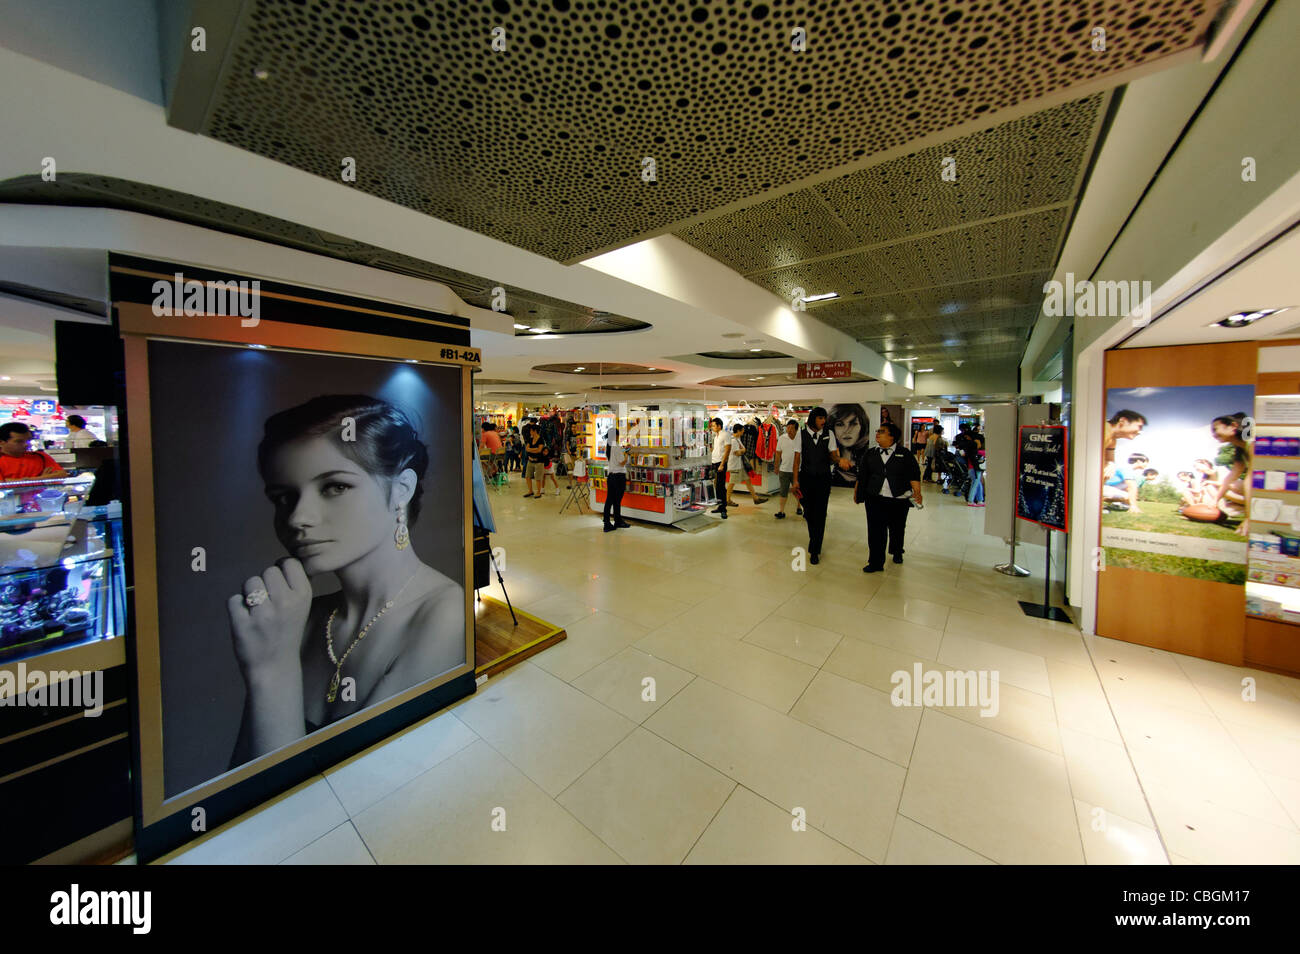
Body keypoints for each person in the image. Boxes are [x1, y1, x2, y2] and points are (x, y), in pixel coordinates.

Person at [227, 394, 462, 765]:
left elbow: (351, 804)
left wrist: (273, 672)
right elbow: (242, 793)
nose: (297, 518)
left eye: (334, 487)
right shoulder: (301, 618)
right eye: (283, 497)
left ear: (401, 489)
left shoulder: (444, 613)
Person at [857, 421, 923, 572]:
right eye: (877, 431)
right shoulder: (871, 453)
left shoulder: (904, 454)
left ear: (892, 436)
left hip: (898, 499)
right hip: (875, 498)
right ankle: (875, 562)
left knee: (897, 528)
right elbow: (863, 476)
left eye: (882, 431)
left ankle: (897, 551)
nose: (877, 434)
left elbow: (914, 474)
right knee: (875, 531)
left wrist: (917, 492)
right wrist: (858, 494)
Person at [791, 407, 850, 565]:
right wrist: (795, 480)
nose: (823, 421)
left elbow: (833, 455)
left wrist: (839, 460)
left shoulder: (828, 434)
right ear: (813, 419)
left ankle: (815, 549)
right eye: (820, 418)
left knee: (820, 513)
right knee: (809, 512)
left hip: (823, 478)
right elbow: (797, 459)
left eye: (824, 418)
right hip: (806, 478)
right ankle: (814, 538)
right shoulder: (801, 435)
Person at [0, 422, 68, 482]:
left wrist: (25, 480)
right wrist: (42, 479)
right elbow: (2, 485)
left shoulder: (41, 456)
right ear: (1, 442)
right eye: (19, 441)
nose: (26, 444)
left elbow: (61, 475)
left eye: (28, 440)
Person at [830, 403, 871, 486]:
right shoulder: (830, 459)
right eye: (840, 424)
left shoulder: (869, 457)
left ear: (862, 426)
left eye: (853, 424)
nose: (847, 430)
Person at [726, 423, 766, 507]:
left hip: (740, 465)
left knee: (748, 481)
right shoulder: (733, 441)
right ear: (738, 431)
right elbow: (737, 453)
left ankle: (755, 498)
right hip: (735, 466)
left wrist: (743, 450)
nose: (744, 432)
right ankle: (727, 500)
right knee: (732, 483)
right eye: (742, 430)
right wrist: (743, 450)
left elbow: (743, 449)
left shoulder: (738, 439)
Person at [773, 418, 803, 519]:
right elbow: (778, 453)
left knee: (798, 491)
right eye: (788, 427)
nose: (789, 430)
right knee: (783, 491)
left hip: (798, 470)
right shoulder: (782, 438)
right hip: (784, 469)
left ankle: (799, 507)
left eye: (791, 428)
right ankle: (781, 511)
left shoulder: (801, 439)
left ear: (796, 429)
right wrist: (776, 466)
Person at [602, 427, 630, 532]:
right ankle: (617, 521)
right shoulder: (616, 446)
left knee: (610, 500)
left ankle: (607, 522)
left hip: (611, 476)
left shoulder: (609, 446)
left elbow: (615, 458)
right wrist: (627, 454)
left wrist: (623, 450)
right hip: (618, 476)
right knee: (617, 501)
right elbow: (622, 462)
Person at [709, 418, 729, 519]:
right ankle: (720, 506)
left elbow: (727, 450)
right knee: (716, 485)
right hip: (714, 462)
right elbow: (716, 449)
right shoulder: (716, 436)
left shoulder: (725, 434)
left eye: (713, 426)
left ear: (719, 426)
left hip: (721, 463)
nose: (712, 427)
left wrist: (722, 464)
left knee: (721, 485)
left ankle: (723, 508)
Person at [522, 424, 546, 498]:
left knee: (538, 478)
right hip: (530, 460)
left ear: (535, 431)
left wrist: (531, 450)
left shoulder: (541, 439)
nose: (530, 432)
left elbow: (539, 450)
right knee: (527, 476)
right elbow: (527, 448)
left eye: (531, 431)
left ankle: (538, 492)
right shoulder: (530, 439)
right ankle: (530, 491)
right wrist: (534, 449)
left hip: (539, 461)